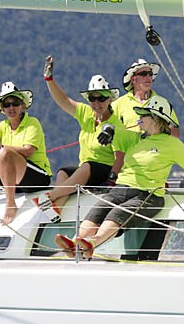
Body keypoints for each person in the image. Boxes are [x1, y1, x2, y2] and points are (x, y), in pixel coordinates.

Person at [53, 95, 184, 259]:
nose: (139, 118)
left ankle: (92, 244)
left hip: (147, 195)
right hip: (121, 189)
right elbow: (113, 128)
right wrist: (108, 130)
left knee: (116, 214)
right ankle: (75, 243)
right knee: (97, 211)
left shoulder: (171, 143)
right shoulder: (136, 138)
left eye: (143, 115)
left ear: (155, 119)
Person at [38, 56, 131, 223]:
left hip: (104, 171)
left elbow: (120, 157)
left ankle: (48, 197)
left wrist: (112, 179)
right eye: (92, 98)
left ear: (109, 99)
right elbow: (63, 101)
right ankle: (57, 208)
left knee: (88, 166)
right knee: (63, 172)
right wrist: (49, 79)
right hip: (86, 171)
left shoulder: (116, 124)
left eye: (101, 98)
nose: (97, 103)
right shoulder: (86, 114)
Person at [0, 81, 51, 225]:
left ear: (22, 105)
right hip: (13, 177)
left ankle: (11, 203)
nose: (11, 107)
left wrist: (1, 146)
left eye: (15, 103)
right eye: (7, 104)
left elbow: (28, 150)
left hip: (38, 177)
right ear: (2, 108)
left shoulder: (32, 122)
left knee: (4, 152)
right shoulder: (3, 126)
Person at [112, 58, 180, 138]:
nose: (148, 77)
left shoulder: (163, 103)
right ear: (133, 79)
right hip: (131, 150)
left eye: (150, 74)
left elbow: (175, 132)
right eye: (143, 74)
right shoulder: (118, 104)